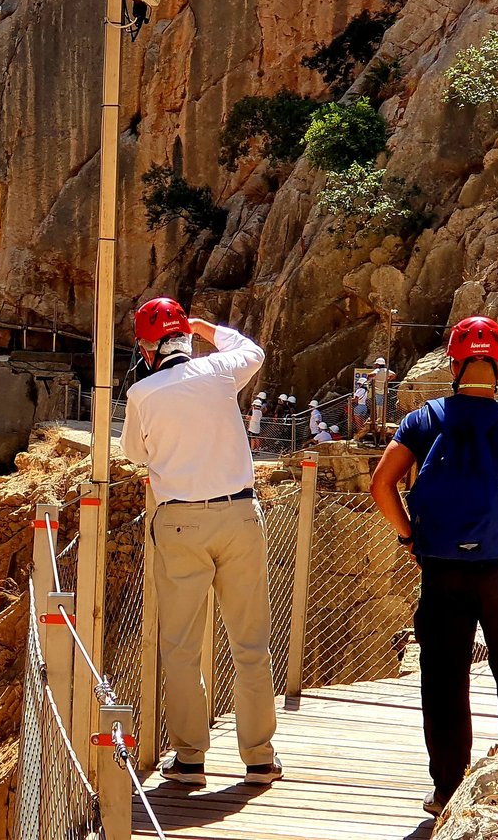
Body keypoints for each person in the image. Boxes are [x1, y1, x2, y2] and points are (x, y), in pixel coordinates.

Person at [369, 316, 498, 817]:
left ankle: (446, 792)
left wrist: (411, 535)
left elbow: (380, 486)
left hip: (440, 569)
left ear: (455, 365)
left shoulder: (424, 419)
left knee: (443, 679)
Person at [121, 297, 282, 788]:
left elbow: (133, 453)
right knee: (250, 643)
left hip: (180, 524)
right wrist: (207, 326)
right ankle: (258, 758)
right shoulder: (219, 371)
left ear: (149, 347)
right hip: (238, 515)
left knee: (182, 646)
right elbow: (251, 350)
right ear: (185, 337)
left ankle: (190, 759)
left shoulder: (143, 394)